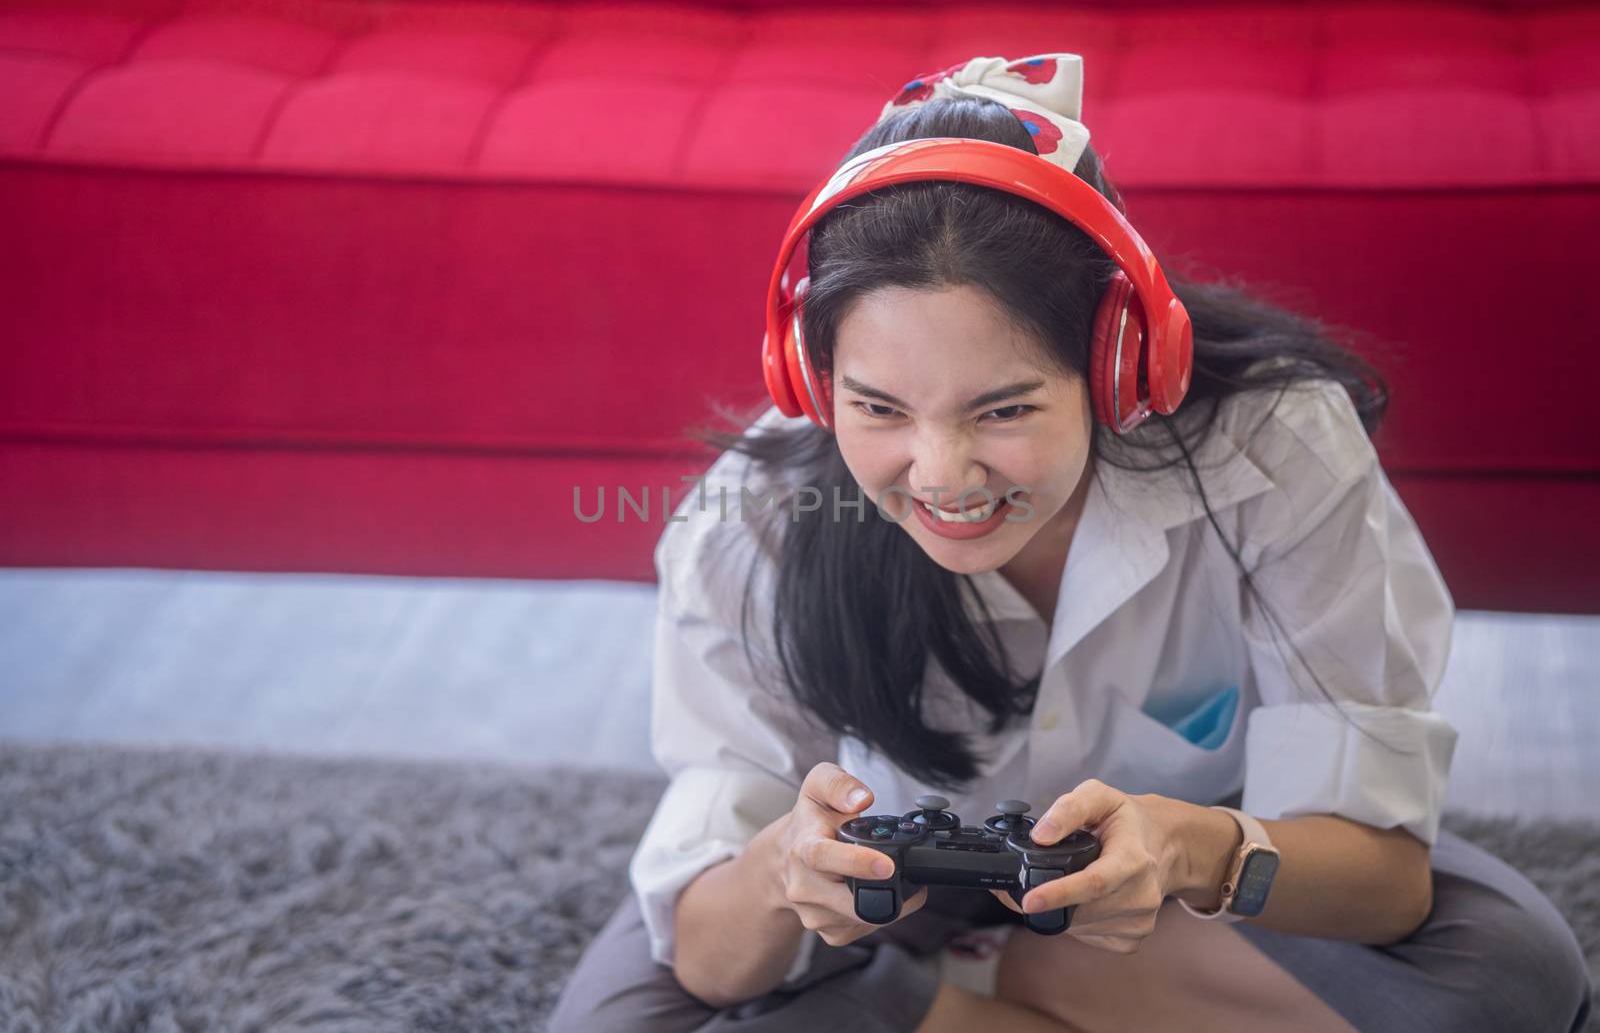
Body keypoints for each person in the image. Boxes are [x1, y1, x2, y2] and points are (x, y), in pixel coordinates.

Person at [549, 53, 1592, 1032]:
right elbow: (707, 957)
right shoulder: (758, 525)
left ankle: (975, 991)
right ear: (811, 381)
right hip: (885, 912)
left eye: (1002, 410)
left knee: (1510, 978)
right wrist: (788, 864)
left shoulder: (1274, 449)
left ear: (1119, 366)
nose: (941, 473)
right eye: (878, 407)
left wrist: (1193, 846)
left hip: (1171, 887)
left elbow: (1383, 876)